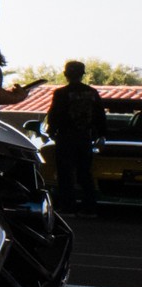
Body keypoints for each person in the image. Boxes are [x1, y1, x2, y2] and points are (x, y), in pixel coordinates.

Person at [47, 60, 107, 214]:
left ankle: (68, 206)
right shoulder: (92, 93)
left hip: (65, 138)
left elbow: (55, 114)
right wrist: (101, 134)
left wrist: (52, 131)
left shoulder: (60, 93)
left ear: (66, 74)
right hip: (85, 138)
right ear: (82, 74)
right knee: (84, 173)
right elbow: (100, 115)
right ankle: (89, 207)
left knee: (65, 173)